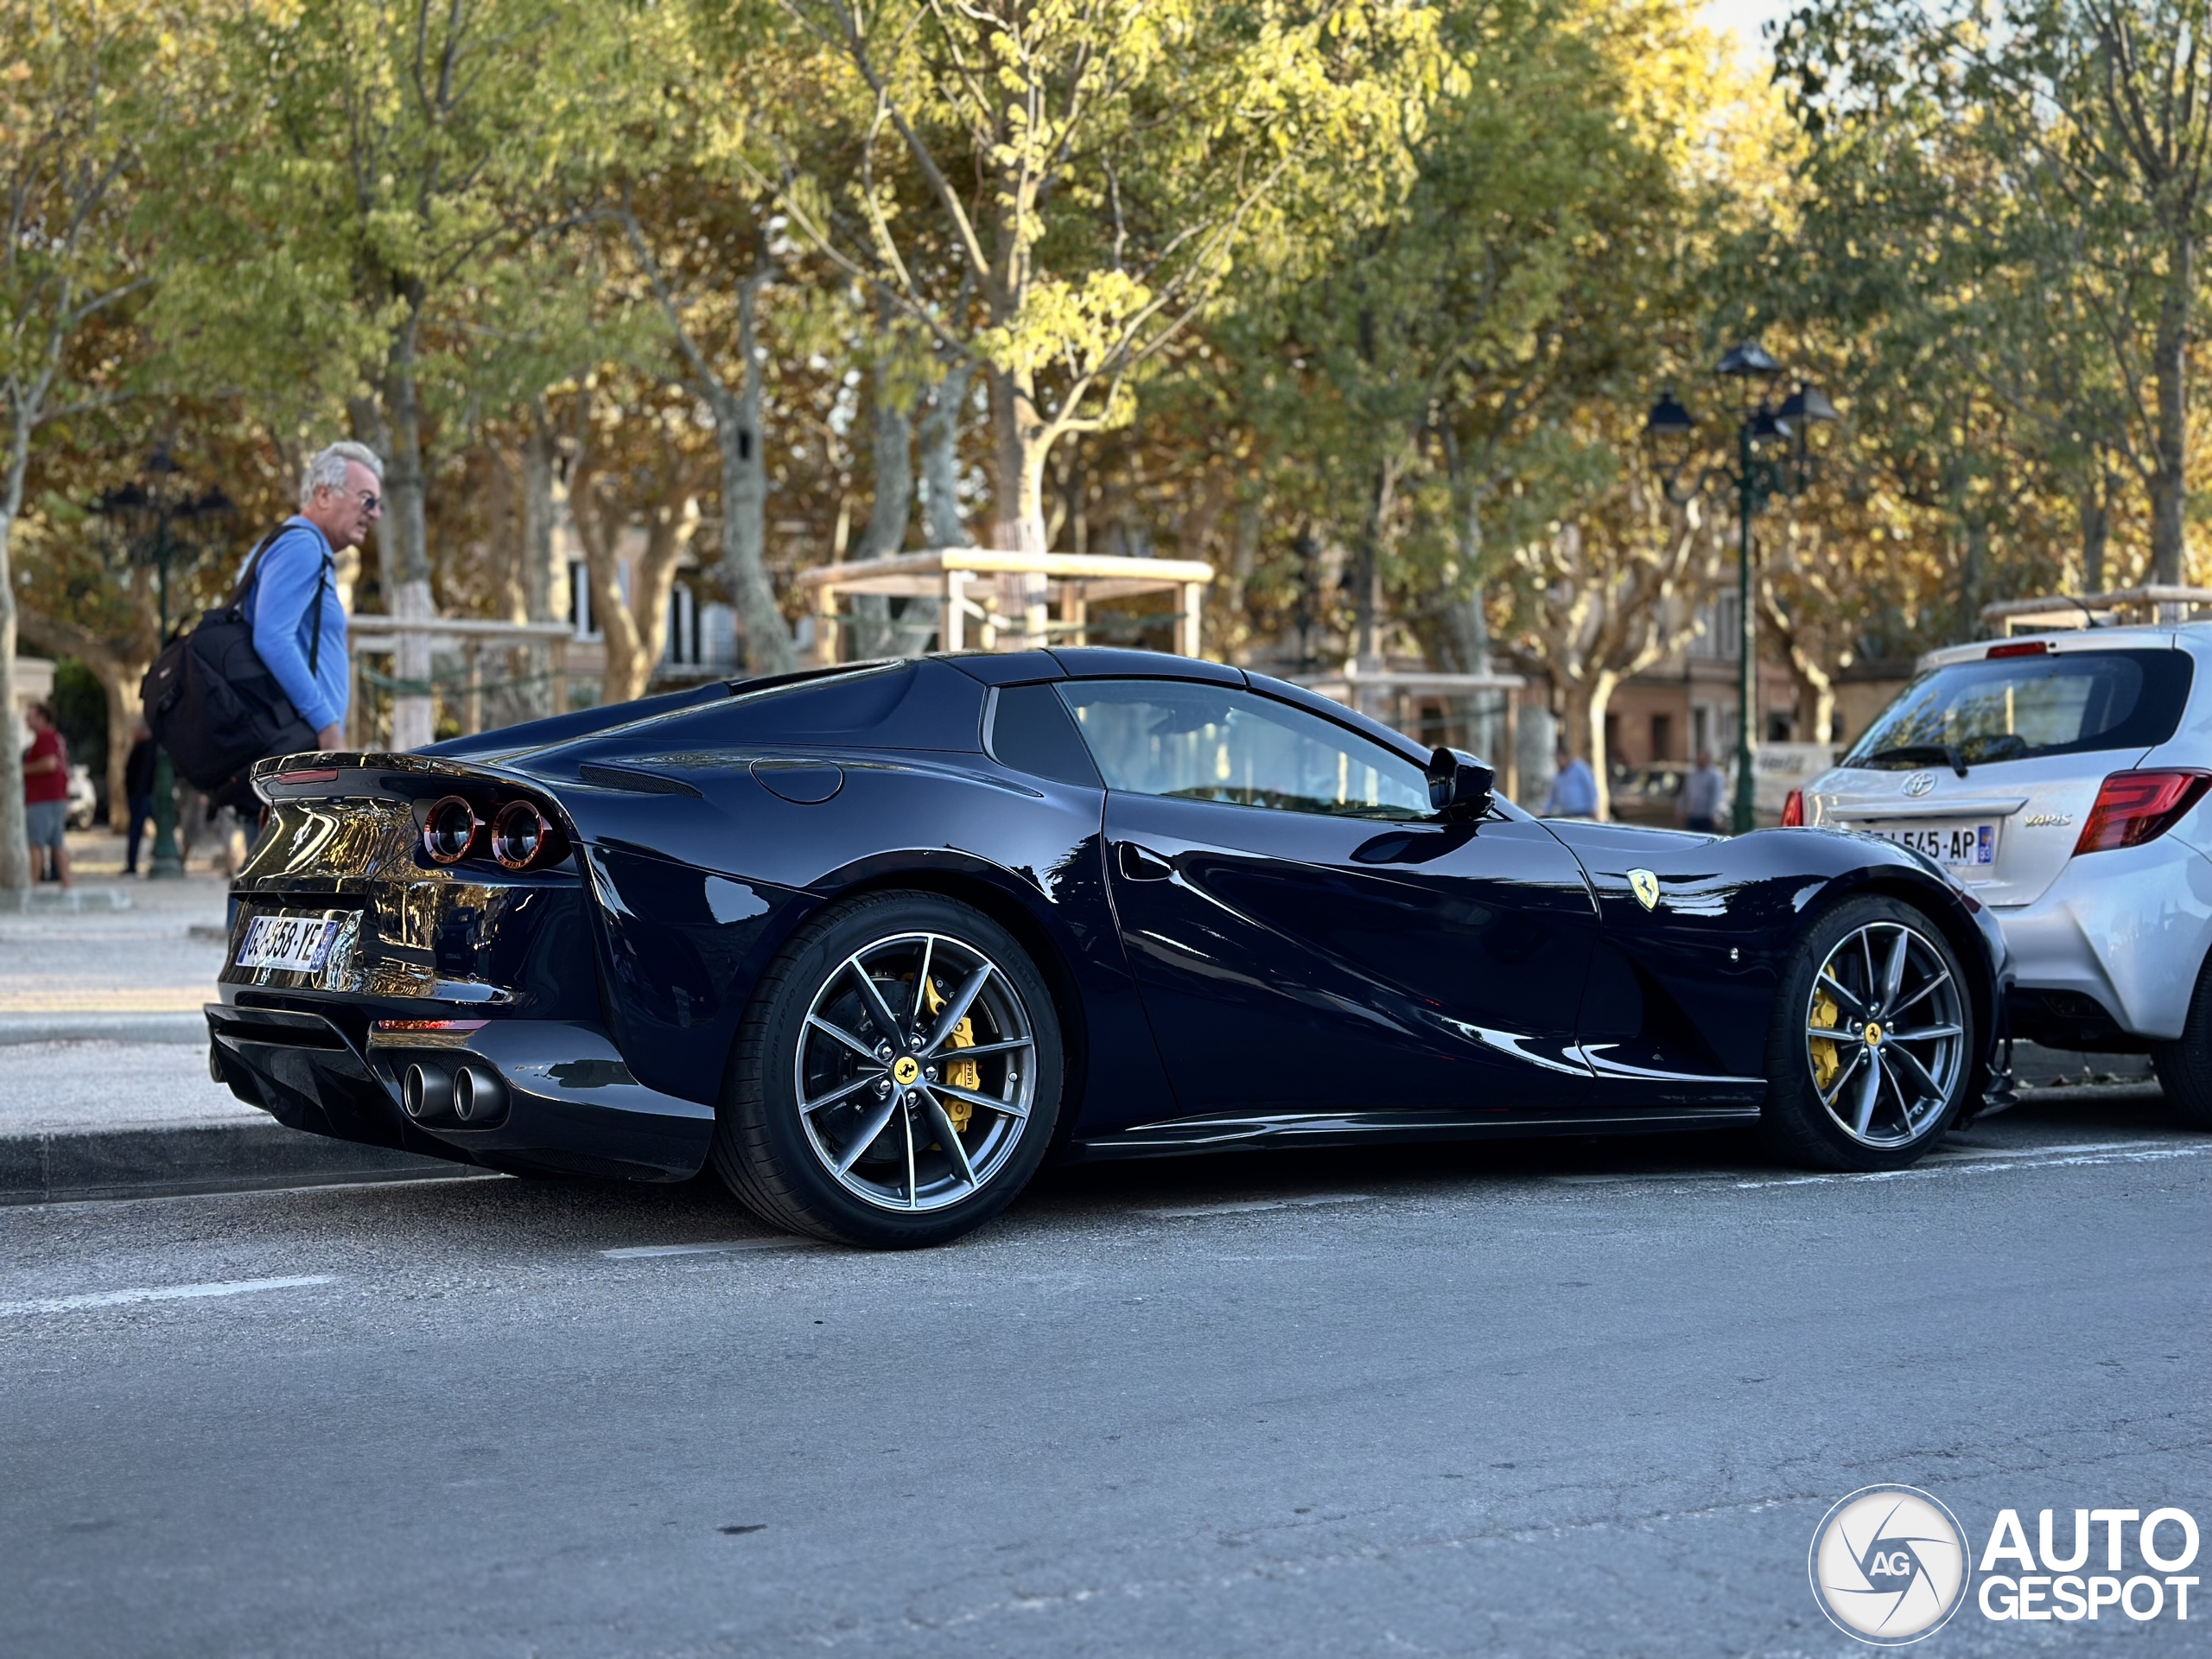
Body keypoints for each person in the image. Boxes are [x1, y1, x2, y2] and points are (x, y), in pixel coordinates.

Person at [242, 440, 382, 769]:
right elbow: (272, 638)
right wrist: (328, 728)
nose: (375, 514)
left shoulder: (289, 542)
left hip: (288, 745)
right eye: (367, 500)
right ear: (323, 495)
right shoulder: (302, 546)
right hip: (296, 753)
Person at [21, 700, 71, 887]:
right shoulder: (56, 737)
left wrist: (23, 770)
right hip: (56, 797)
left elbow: (50, 763)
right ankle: (66, 884)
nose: (27, 722)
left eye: (31, 718)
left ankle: (33, 885)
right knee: (57, 843)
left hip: (43, 798)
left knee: (36, 844)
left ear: (42, 718)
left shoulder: (45, 738)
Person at [122, 720, 156, 874]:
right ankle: (131, 864)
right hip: (139, 794)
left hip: (141, 795)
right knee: (136, 830)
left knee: (136, 830)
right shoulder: (143, 747)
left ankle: (132, 865)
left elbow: (142, 774)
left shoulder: (146, 748)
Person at [1541, 740, 1598, 819]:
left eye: (1560, 758)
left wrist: (1593, 807)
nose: (1558, 762)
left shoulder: (1579, 768)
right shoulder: (1557, 777)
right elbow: (1553, 797)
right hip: (1566, 813)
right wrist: (1545, 810)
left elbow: (1590, 787)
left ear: (1566, 756)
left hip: (1582, 812)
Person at [1681, 747, 1727, 834]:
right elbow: (1685, 793)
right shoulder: (1692, 775)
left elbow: (1716, 795)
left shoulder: (1714, 775)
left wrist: (1713, 813)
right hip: (1693, 815)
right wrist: (1681, 809)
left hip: (1707, 816)